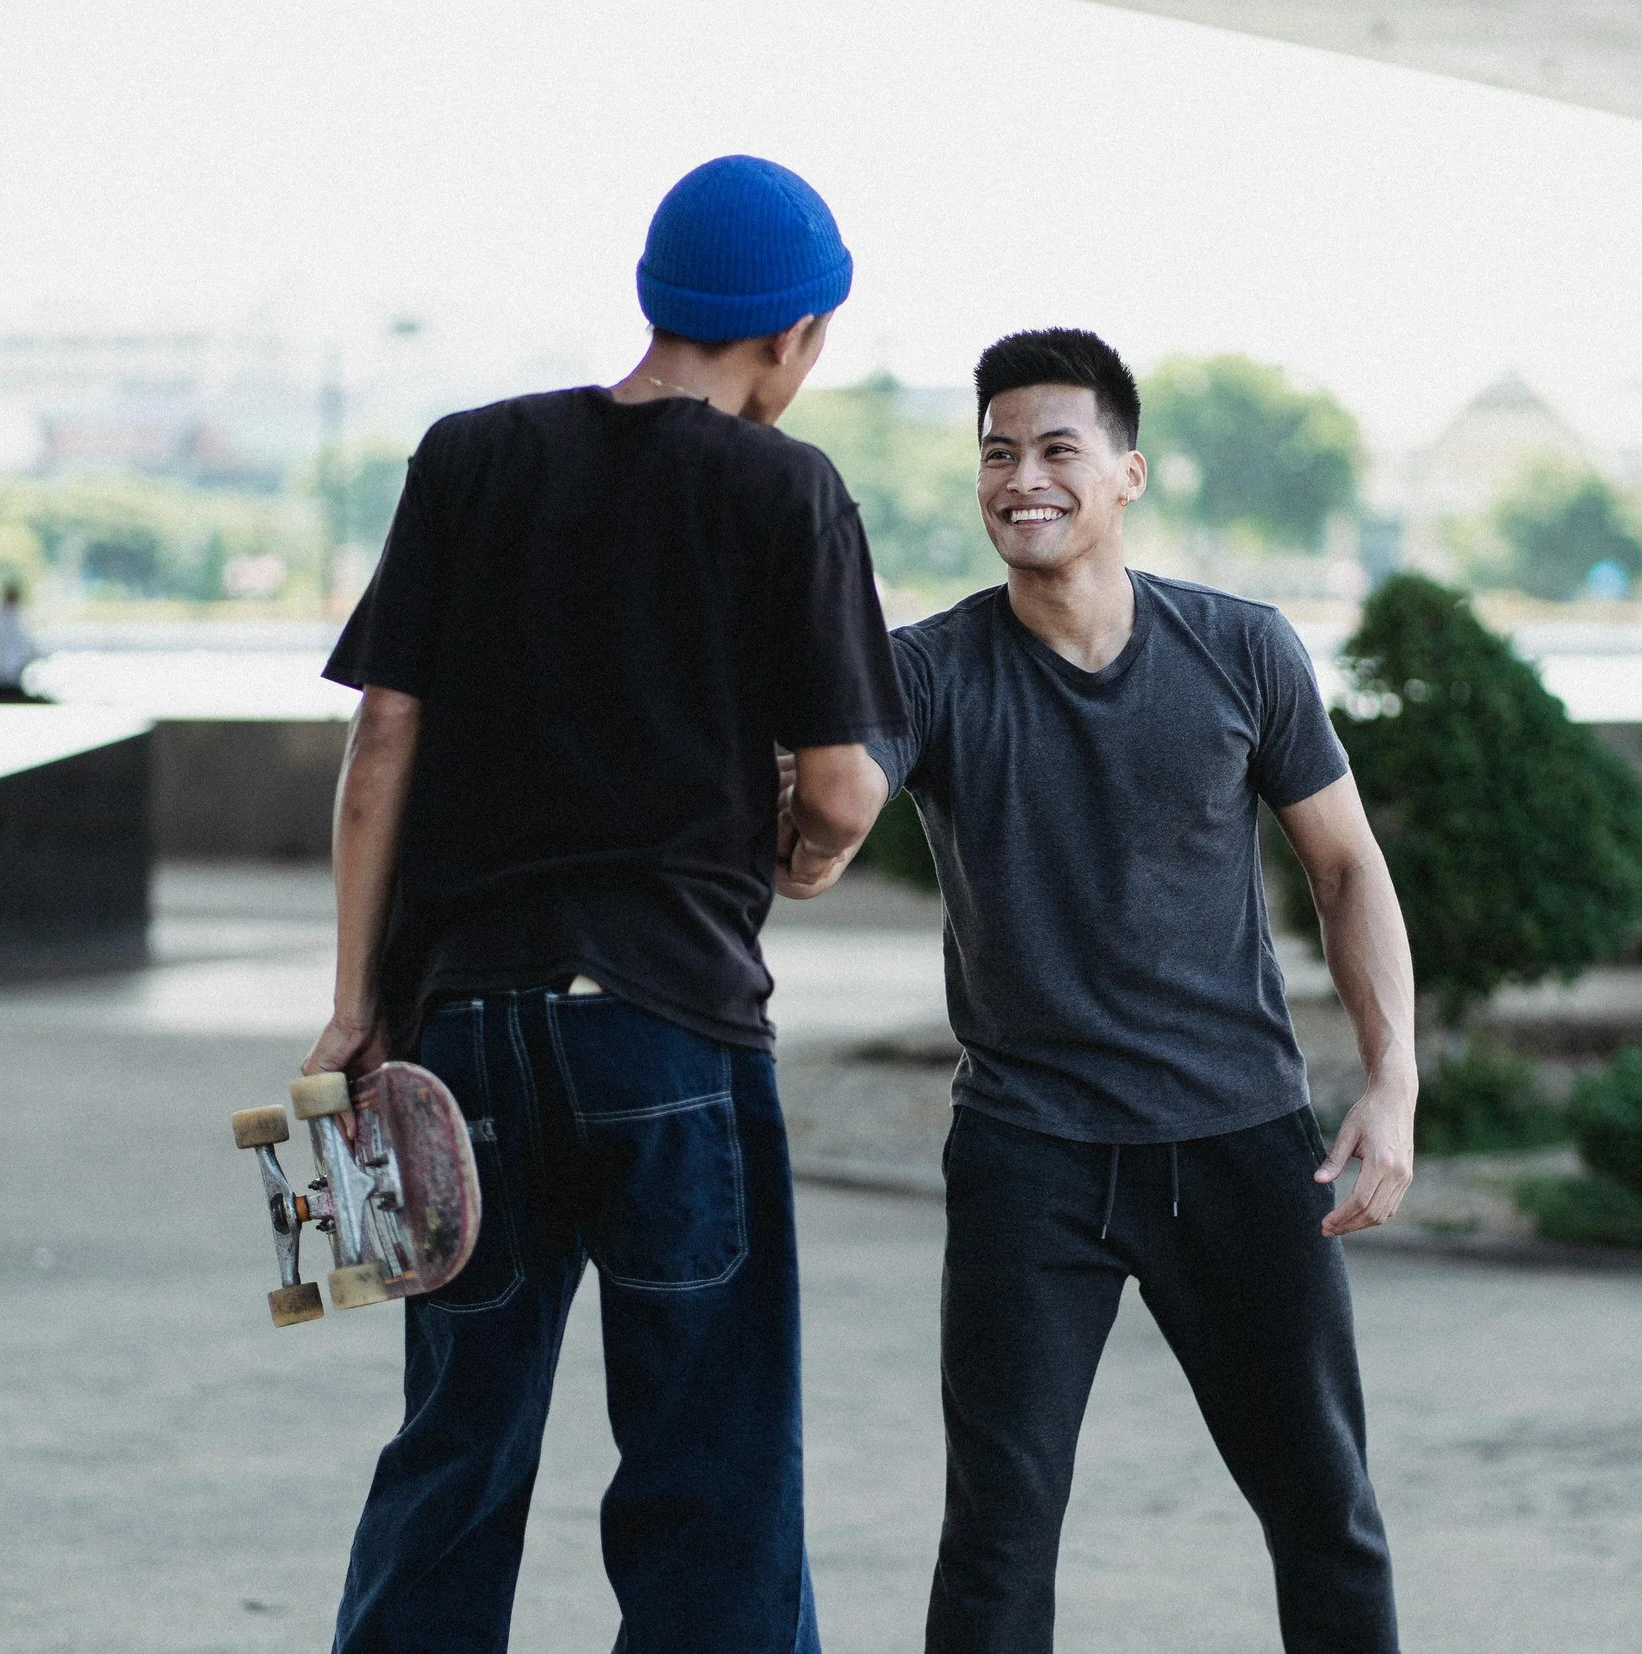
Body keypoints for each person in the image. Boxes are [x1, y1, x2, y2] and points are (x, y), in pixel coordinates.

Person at [305, 155, 903, 1654]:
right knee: (712, 1459)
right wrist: (801, 858)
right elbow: (842, 790)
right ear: (795, 332)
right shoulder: (786, 488)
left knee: (456, 1443)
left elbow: (381, 743)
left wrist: (359, 1003)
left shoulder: (470, 456)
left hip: (465, 1039)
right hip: (670, 1033)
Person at [864, 330, 1418, 1653]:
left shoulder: (1240, 647)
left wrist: (1393, 1079)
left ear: (1128, 473)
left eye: (1057, 449)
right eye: (997, 453)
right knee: (997, 1530)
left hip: (1239, 1140)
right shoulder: (927, 669)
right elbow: (826, 810)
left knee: (1324, 1508)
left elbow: (1346, 866)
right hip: (1028, 1153)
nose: (1022, 478)